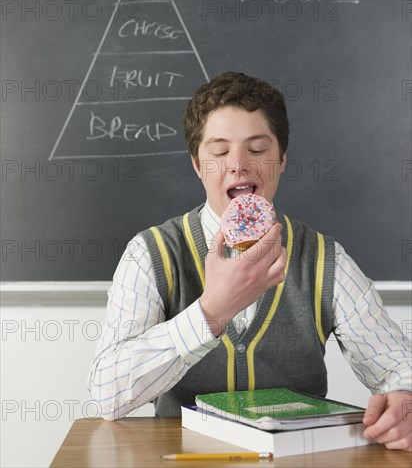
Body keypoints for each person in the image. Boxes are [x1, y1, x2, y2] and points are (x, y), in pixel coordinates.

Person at [88, 72, 412, 451]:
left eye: (257, 150)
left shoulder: (324, 258)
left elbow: (396, 365)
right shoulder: (151, 253)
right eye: (220, 152)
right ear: (197, 164)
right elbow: (106, 397)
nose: (239, 165)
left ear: (281, 160)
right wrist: (212, 311)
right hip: (187, 458)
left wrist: (405, 397)